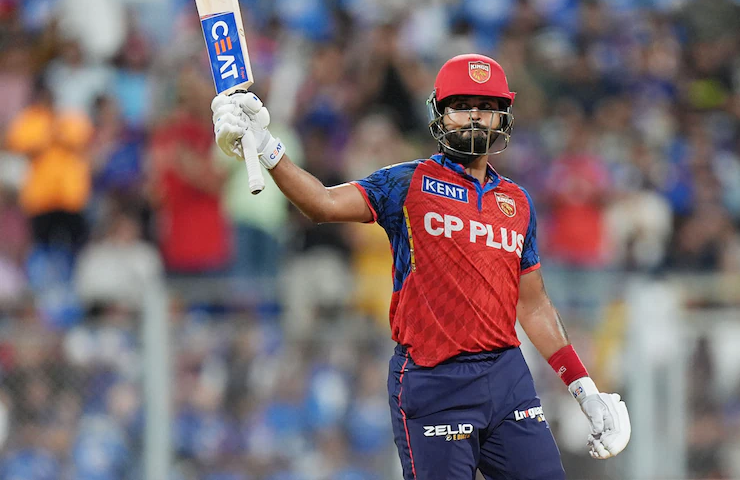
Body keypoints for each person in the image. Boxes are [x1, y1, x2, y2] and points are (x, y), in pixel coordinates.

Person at [212, 54, 631, 479]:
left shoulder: (518, 202)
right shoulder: (406, 182)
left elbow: (534, 305)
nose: (474, 116)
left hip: (508, 378)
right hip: (434, 380)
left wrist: (583, 388)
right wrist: (267, 147)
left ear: (503, 117)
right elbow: (322, 203)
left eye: (486, 107)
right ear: (439, 114)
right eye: (461, 106)